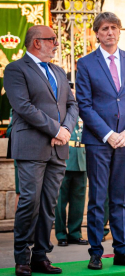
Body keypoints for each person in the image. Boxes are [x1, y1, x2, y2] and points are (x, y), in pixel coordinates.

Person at [76, 12, 125, 269]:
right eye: (105, 28)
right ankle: (95, 251)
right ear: (97, 33)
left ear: (119, 31)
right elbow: (84, 105)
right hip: (99, 141)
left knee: (120, 198)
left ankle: (121, 250)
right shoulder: (85, 64)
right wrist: (108, 134)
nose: (110, 32)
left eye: (114, 28)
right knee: (97, 199)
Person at [4, 25, 79, 276]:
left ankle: (40, 256)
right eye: (52, 40)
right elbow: (23, 106)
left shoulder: (58, 71)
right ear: (37, 42)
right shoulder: (15, 69)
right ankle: (22, 258)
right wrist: (56, 130)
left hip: (59, 148)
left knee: (48, 204)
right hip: (31, 147)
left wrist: (65, 129)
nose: (56, 44)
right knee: (30, 202)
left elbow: (72, 105)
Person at [55, 109, 89, 247]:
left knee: (78, 202)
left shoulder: (84, 111)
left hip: (82, 159)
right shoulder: (62, 110)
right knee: (61, 202)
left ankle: (75, 233)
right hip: (65, 159)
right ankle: (61, 234)